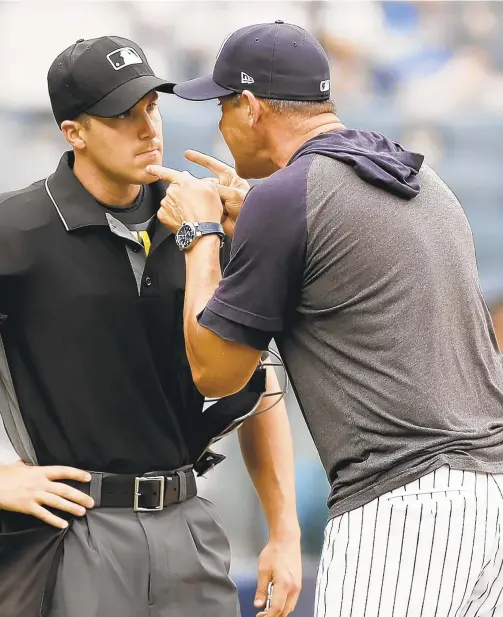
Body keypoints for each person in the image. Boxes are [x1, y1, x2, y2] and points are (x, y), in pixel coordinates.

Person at [147, 21, 503, 617]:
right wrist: (260, 221)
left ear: (253, 108)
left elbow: (215, 373)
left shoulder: (289, 198)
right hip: (490, 492)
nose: (219, 124)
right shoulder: (420, 177)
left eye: (224, 106)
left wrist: (200, 234)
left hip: (404, 511)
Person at [0, 35, 301, 617]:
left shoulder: (205, 224)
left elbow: (257, 386)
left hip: (190, 523)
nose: (148, 129)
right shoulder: (15, 230)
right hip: (76, 532)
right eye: (121, 115)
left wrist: (284, 532)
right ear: (74, 132)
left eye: (151, 107)